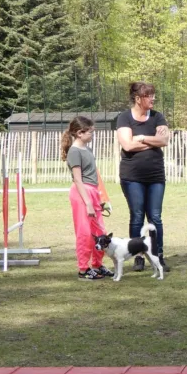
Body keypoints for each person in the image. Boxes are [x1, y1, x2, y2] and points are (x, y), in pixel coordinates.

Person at [116, 82, 171, 273]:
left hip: (155, 175)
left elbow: (164, 140)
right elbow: (128, 146)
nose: (153, 98)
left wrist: (140, 138)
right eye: (149, 96)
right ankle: (138, 256)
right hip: (132, 177)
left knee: (155, 217)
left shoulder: (158, 117)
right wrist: (151, 141)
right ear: (138, 99)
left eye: (154, 95)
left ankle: (159, 256)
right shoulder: (124, 118)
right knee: (137, 216)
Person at [61, 116, 112, 280]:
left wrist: (99, 197)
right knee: (84, 233)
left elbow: (93, 175)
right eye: (90, 132)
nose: (92, 135)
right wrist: (88, 202)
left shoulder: (87, 150)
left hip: (92, 192)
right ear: (80, 133)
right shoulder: (74, 152)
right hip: (81, 194)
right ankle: (83, 269)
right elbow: (78, 179)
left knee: (100, 232)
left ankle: (97, 265)